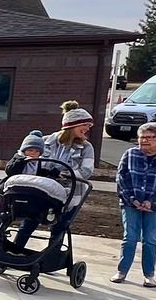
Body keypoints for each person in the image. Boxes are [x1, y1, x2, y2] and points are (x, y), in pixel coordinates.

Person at [14, 103, 99, 254]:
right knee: (30, 220)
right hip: (43, 190)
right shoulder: (46, 141)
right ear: (72, 125)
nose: (87, 129)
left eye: (89, 126)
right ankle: (14, 251)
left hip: (69, 192)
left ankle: (51, 257)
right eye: (85, 125)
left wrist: (63, 173)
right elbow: (28, 158)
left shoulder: (86, 148)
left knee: (59, 225)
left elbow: (86, 171)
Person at [114, 122, 156, 288]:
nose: (144, 141)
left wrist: (153, 201)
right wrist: (133, 200)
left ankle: (149, 275)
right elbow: (121, 179)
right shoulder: (130, 154)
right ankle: (121, 272)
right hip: (131, 203)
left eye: (149, 138)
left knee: (149, 240)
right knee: (129, 238)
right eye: (141, 137)